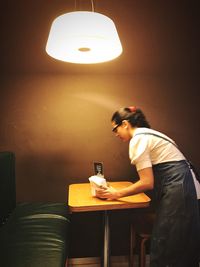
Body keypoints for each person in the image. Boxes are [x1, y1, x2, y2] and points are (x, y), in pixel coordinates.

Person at [96, 106, 200, 267]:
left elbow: (147, 182)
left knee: (167, 243)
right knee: (181, 243)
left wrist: (116, 194)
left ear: (125, 124)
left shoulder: (138, 139)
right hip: (187, 188)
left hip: (180, 189)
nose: (115, 134)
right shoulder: (151, 134)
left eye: (115, 129)